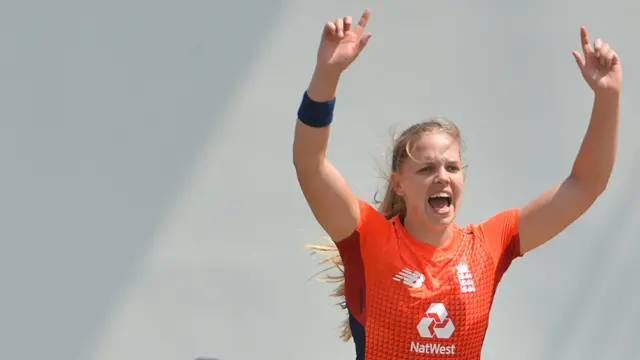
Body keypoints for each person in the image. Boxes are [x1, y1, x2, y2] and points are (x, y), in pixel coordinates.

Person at [293, 8, 622, 360]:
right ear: (398, 184)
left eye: (452, 167)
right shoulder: (368, 238)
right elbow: (309, 164)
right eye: (426, 169)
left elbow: (586, 184)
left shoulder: (488, 246)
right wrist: (326, 74)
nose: (442, 177)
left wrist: (608, 97)